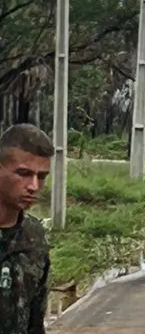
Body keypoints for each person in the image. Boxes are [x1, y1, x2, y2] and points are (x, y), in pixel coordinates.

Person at [0, 123, 54, 334]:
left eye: (41, 177)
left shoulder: (35, 238)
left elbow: (35, 322)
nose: (33, 186)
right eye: (23, 173)